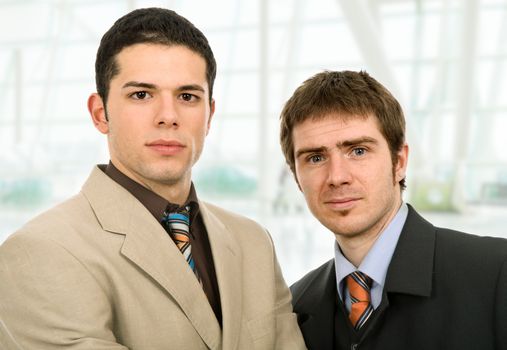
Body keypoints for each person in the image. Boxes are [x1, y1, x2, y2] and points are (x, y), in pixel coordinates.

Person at [0, 8, 306, 350]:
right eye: (142, 95)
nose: (168, 116)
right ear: (100, 114)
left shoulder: (254, 243)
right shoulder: (40, 252)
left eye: (187, 97)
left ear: (209, 115)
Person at [279, 70, 507, 350]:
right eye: (315, 158)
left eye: (358, 151)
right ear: (297, 179)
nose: (337, 176)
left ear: (399, 162)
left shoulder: (497, 274)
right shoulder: (296, 308)